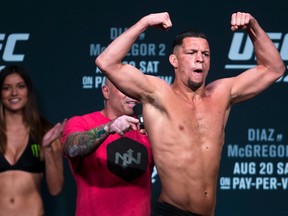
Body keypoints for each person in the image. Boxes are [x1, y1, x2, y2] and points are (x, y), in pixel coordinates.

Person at [95, 12, 285, 216]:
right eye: (192, 53)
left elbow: (274, 68)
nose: (199, 59)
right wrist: (145, 23)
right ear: (174, 61)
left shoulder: (222, 93)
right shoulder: (157, 94)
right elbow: (107, 62)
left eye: (205, 54)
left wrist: (253, 26)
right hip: (172, 211)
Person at [62, 78, 153, 216]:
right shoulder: (82, 123)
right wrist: (108, 127)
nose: (131, 94)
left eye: (135, 88)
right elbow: (71, 148)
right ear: (106, 91)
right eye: (124, 88)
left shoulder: (149, 129)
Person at [0, 65, 65, 216]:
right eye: (6, 88)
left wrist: (47, 149)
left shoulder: (46, 132)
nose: (14, 93)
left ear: (28, 91)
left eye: (20, 86)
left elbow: (55, 189)